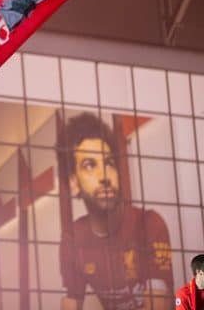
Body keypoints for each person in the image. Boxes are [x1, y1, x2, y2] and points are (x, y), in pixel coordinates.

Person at [57, 112, 173, 310]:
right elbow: (71, 302)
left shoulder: (149, 224)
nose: (104, 176)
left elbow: (158, 305)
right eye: (90, 165)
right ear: (74, 184)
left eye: (109, 163)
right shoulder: (72, 238)